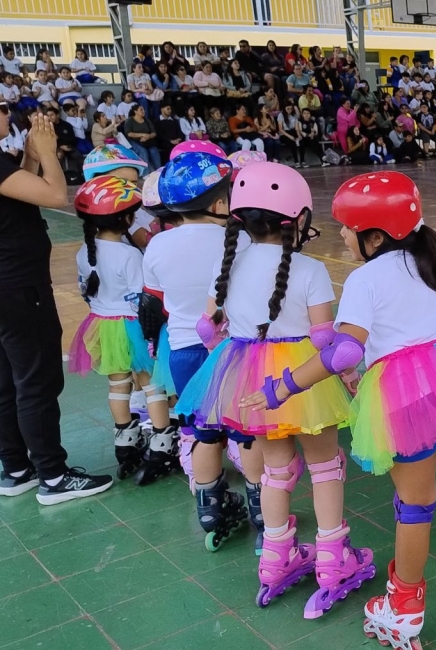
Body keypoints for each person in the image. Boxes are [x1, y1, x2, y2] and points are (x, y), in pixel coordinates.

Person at [240, 171, 436, 647]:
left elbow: (346, 353)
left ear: (374, 236)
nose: (341, 235)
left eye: (346, 228)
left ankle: (404, 607)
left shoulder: (363, 279)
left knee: (414, 507)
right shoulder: (428, 262)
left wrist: (282, 387)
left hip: (404, 396)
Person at [174, 162, 372, 617]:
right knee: (326, 465)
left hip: (249, 373)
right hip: (304, 376)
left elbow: (209, 325)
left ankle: (276, 558)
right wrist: (347, 376)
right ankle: (331, 559)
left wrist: (230, 364)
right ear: (298, 220)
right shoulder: (310, 269)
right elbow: (325, 340)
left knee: (273, 471)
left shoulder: (227, 265)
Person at [150, 151, 264, 550]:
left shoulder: (157, 246)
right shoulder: (241, 239)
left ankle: (210, 508)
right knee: (247, 431)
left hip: (182, 351)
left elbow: (161, 297)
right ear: (219, 203)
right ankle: (262, 505)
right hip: (232, 350)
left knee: (203, 431)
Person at [0, 109, 115, 504]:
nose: (6, 113)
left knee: (7, 382)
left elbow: (18, 193)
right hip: (18, 286)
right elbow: (52, 195)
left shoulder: (3, 166)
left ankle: (15, 468)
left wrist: (30, 155)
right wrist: (49, 153)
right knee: (36, 381)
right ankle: (53, 475)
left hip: (6, 290)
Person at [68, 176, 172, 482]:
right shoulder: (129, 255)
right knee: (152, 386)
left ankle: (124, 443)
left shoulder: (83, 252)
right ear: (127, 218)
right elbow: (142, 298)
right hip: (131, 327)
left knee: (118, 386)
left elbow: (86, 291)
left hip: (102, 324)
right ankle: (162, 443)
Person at [121, 104, 163, 169]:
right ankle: (145, 173)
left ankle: (159, 170)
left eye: (143, 110)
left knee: (154, 151)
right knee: (143, 151)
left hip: (147, 140)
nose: (143, 111)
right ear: (135, 111)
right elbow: (129, 133)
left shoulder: (147, 120)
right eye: (141, 110)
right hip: (134, 141)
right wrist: (142, 135)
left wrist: (148, 136)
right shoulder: (130, 120)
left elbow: (154, 133)